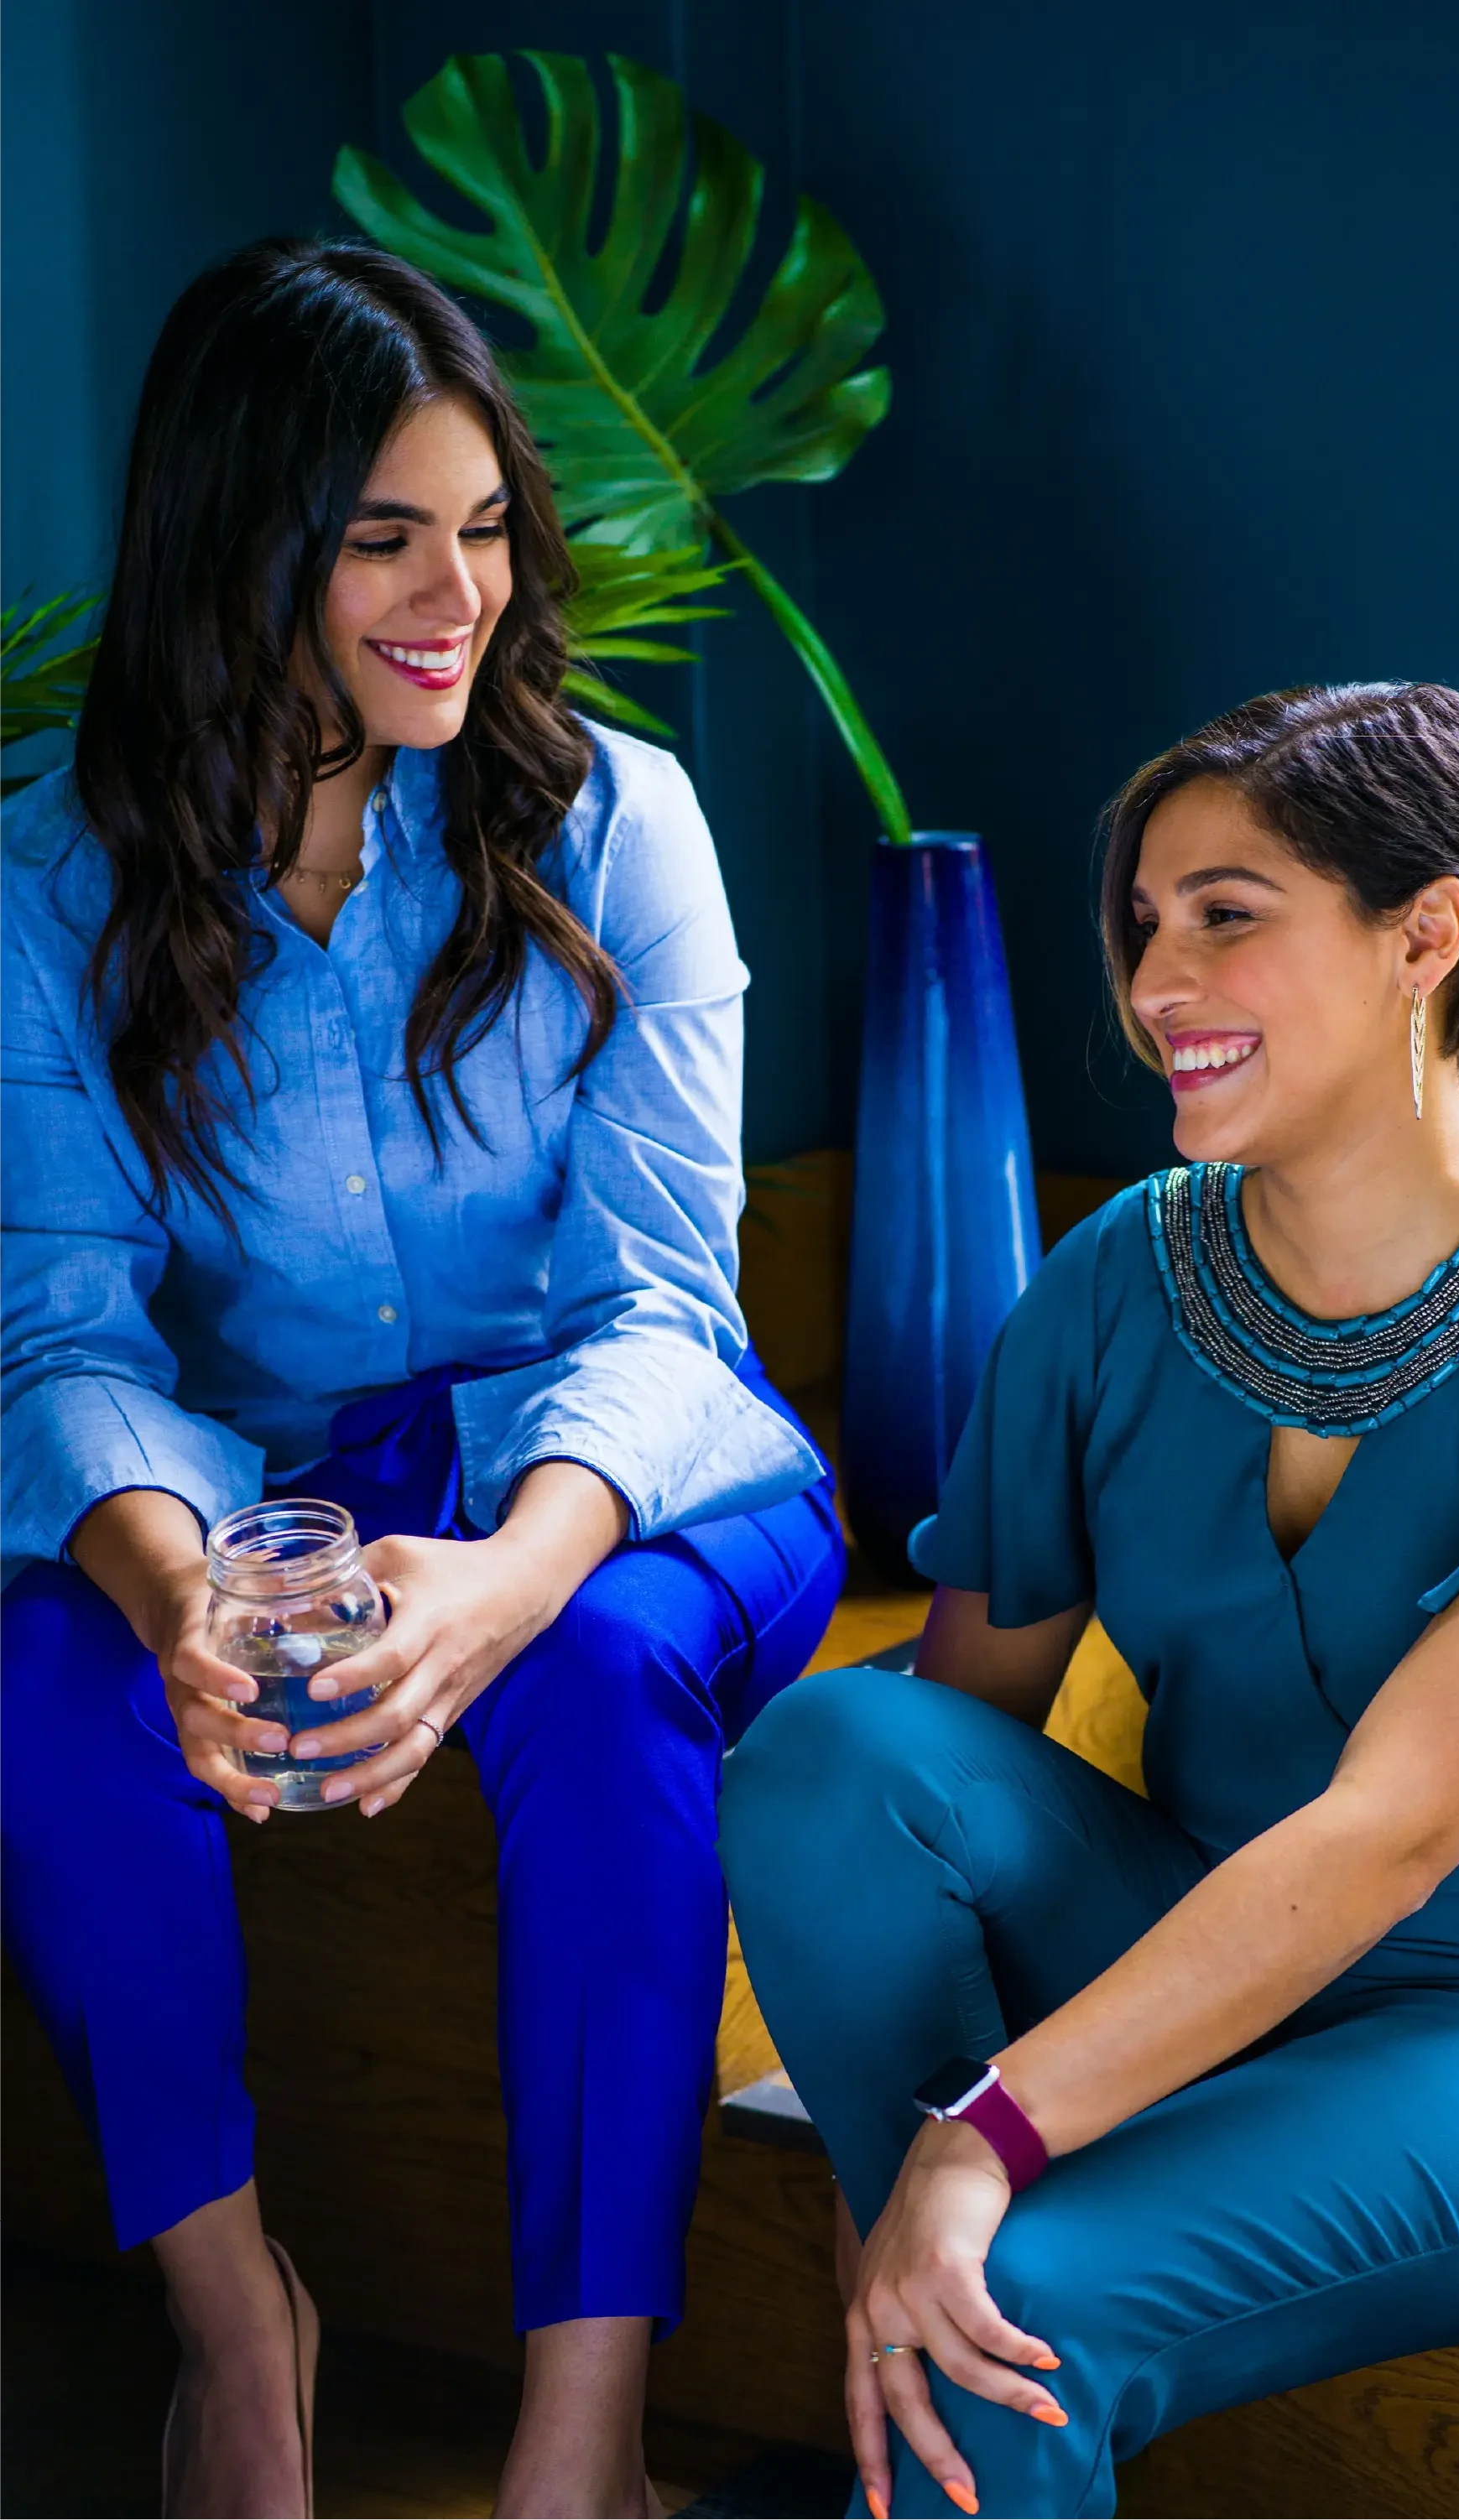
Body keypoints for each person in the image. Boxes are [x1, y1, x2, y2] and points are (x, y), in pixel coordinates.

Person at [721, 682, 1459, 2520]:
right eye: (1143, 921)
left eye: (1226, 912)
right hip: (1198, 1950)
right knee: (836, 1745)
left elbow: (1392, 1834)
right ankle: (931, 2319)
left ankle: (958, 2329)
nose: (1157, 976)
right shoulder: (1110, 1282)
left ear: (1427, 932)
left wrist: (986, 2128)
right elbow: (949, 1751)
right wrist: (957, 2125)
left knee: (1021, 2296)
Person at [0, 239, 843, 2520]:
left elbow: (668, 1304)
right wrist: (182, 1594)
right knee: (51, 1686)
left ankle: (579, 2442)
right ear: (236, 541)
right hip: (253, 1484)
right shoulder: (43, 876)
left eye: (482, 530)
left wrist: (491, 1581)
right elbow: (66, 1323)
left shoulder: (617, 822)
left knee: (585, 1665)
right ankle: (232, 2339)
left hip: (633, 1477)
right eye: (382, 538)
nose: (452, 592)